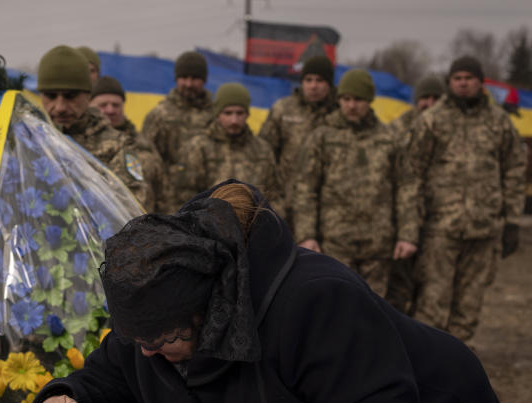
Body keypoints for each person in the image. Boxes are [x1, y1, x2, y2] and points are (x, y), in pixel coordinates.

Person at [26, 180, 530, 403]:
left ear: (210, 315)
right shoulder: (153, 328)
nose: (148, 354)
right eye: (138, 341)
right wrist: (59, 399)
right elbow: (108, 373)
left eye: (162, 341)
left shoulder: (315, 301)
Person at [401, 56, 527, 342]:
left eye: (469, 78)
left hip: (484, 231)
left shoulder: (498, 121)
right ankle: (429, 368)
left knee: (468, 308)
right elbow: (411, 174)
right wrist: (411, 227)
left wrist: (511, 221)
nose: (463, 83)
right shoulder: (432, 119)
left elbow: (514, 170)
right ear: (450, 83)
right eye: (457, 78)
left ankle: (461, 368)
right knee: (432, 306)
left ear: (481, 82)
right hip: (439, 230)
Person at [292, 69, 412, 297]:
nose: (351, 105)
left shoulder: (388, 139)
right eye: (346, 99)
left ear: (369, 101)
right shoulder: (323, 137)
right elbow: (305, 188)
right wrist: (307, 235)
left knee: (374, 311)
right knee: (335, 306)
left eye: (358, 99)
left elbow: (406, 187)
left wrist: (407, 235)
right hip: (335, 243)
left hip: (378, 244)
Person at [37, 45, 153, 211]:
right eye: (51, 96)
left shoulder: (116, 147)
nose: (60, 106)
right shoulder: (30, 140)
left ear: (88, 94)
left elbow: (132, 208)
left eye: (70, 96)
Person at [385, 74, 444, 314]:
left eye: (435, 98)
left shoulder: (447, 128)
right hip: (400, 224)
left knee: (431, 290)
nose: (429, 104)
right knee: (397, 289)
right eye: (424, 98)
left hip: (438, 222)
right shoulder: (396, 130)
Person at [258, 55, 338, 230]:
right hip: (287, 203)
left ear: (329, 83)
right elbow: (263, 154)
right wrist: (272, 198)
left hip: (331, 210)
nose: (313, 86)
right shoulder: (283, 109)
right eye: (308, 80)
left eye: (319, 80)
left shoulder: (341, 112)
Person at [175, 82, 282, 212]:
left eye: (239, 113)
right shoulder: (198, 147)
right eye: (228, 113)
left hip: (252, 227)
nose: (234, 120)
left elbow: (274, 196)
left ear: (247, 114)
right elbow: (184, 196)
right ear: (218, 114)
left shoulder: (263, 150)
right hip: (208, 226)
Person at [141, 51, 216, 212]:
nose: (189, 84)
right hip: (170, 206)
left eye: (195, 78)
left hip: (208, 203)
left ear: (204, 80)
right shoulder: (160, 115)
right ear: (176, 79)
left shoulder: (217, 114)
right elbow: (147, 161)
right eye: (184, 77)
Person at [90, 75, 166, 212]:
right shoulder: (83, 143)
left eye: (115, 105)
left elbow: (161, 192)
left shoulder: (143, 143)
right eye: (103, 105)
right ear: (89, 106)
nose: (110, 110)